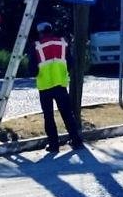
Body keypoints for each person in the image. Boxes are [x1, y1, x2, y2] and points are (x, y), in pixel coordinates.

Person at [32, 21, 84, 152]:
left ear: (41, 33)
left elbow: (32, 69)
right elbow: (70, 63)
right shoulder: (62, 43)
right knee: (67, 114)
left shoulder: (37, 46)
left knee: (48, 117)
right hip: (60, 85)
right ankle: (76, 141)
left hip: (45, 87)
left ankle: (54, 146)